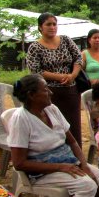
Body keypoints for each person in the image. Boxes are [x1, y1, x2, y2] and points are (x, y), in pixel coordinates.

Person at [26, 13, 84, 146]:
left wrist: (72, 75)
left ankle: (77, 158)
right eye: (48, 24)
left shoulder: (66, 40)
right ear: (40, 27)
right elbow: (36, 70)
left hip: (71, 91)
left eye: (54, 24)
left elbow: (78, 58)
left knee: (73, 125)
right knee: (53, 125)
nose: (52, 27)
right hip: (48, 93)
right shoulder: (35, 47)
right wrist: (60, 77)